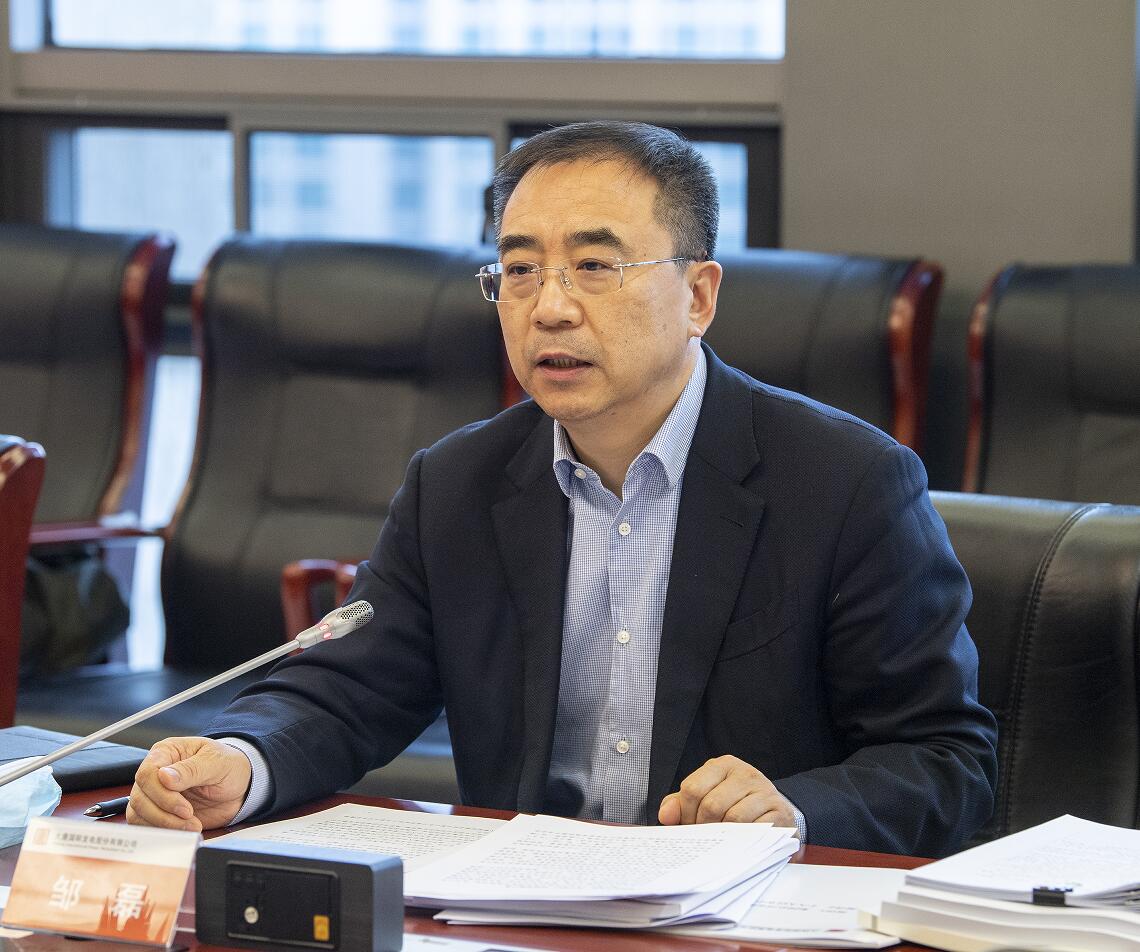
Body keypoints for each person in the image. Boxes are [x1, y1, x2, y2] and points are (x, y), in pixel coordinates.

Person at [127, 121, 997, 856]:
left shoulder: (846, 484)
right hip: (516, 910)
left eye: (594, 266)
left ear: (698, 296)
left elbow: (946, 760)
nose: (549, 307)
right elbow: (348, 690)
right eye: (518, 271)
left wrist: (794, 812)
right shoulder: (456, 485)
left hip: (738, 914)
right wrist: (242, 761)